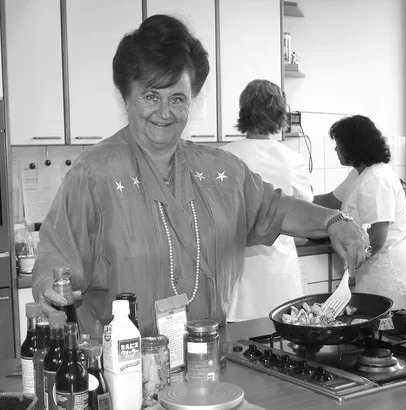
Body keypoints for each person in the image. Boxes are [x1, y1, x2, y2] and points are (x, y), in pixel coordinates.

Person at [32, 14, 370, 336]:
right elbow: (58, 253)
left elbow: (276, 208)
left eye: (178, 98)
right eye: (151, 96)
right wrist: (49, 287)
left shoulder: (221, 170)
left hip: (206, 357)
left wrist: (333, 221)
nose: (165, 112)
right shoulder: (93, 174)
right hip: (124, 364)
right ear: (126, 97)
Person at [220, 79, 313, 322]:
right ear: (280, 114)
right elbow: (305, 211)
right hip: (280, 274)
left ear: (243, 111)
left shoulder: (224, 156)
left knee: (239, 337)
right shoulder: (292, 159)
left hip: (237, 274)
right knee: (283, 331)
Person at [314, 115, 406, 298]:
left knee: (391, 317)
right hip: (375, 272)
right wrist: (296, 199)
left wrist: (351, 261)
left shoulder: (376, 179)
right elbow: (331, 200)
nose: (335, 148)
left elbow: (377, 237)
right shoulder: (359, 174)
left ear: (353, 146)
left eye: (339, 143)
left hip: (390, 274)